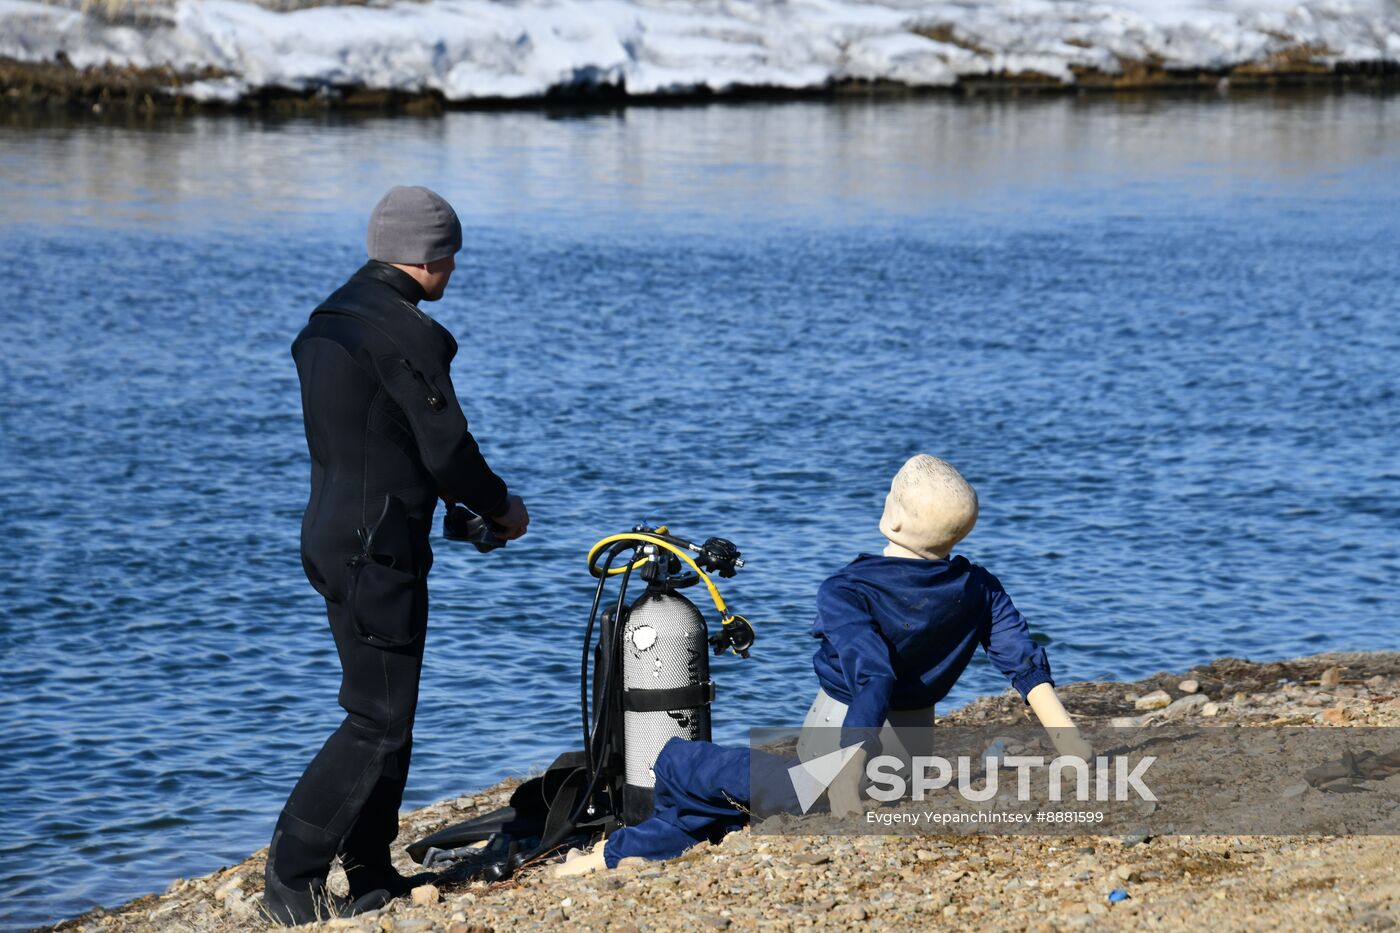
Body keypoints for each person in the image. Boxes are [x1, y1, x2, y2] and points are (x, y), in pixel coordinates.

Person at [557, 454, 1088, 875]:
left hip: (842, 752)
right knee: (733, 796)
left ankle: (606, 856)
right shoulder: (978, 587)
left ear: (892, 517)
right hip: (910, 759)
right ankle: (650, 844)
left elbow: (873, 677)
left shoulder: (847, 590)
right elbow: (1022, 662)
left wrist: (847, 776)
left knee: (680, 763)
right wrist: (1068, 742)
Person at [263, 186, 529, 925]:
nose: (453, 271)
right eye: (450, 258)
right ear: (427, 257)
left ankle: (370, 862)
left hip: (332, 531)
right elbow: (448, 448)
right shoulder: (401, 330)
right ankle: (292, 873)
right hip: (375, 544)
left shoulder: (331, 318)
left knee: (390, 705)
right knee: (375, 716)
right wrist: (502, 508)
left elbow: (382, 435)